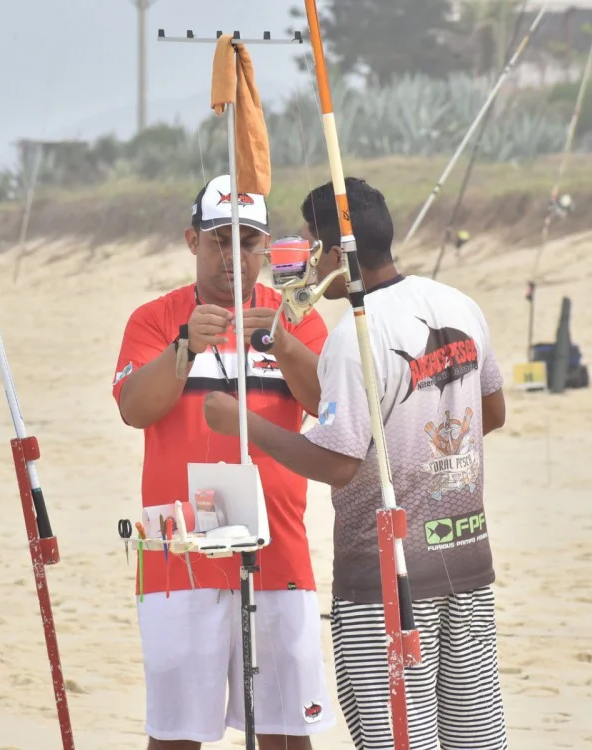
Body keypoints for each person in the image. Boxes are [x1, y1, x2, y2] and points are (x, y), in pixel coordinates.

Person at [203, 177, 509, 750]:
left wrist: (243, 424)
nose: (295, 260)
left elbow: (338, 463)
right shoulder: (458, 304)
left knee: (397, 737)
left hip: (385, 581)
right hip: (467, 561)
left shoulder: (356, 335)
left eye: (302, 243)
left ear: (328, 252)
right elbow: (491, 412)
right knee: (475, 738)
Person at [111, 173, 337, 749]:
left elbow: (328, 408)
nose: (234, 256)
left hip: (279, 550)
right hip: (178, 555)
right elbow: (135, 408)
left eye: (249, 241)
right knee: (178, 735)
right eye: (218, 240)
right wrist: (184, 346)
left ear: (266, 246)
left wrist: (283, 343)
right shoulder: (154, 319)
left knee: (288, 733)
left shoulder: (299, 317)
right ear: (193, 242)